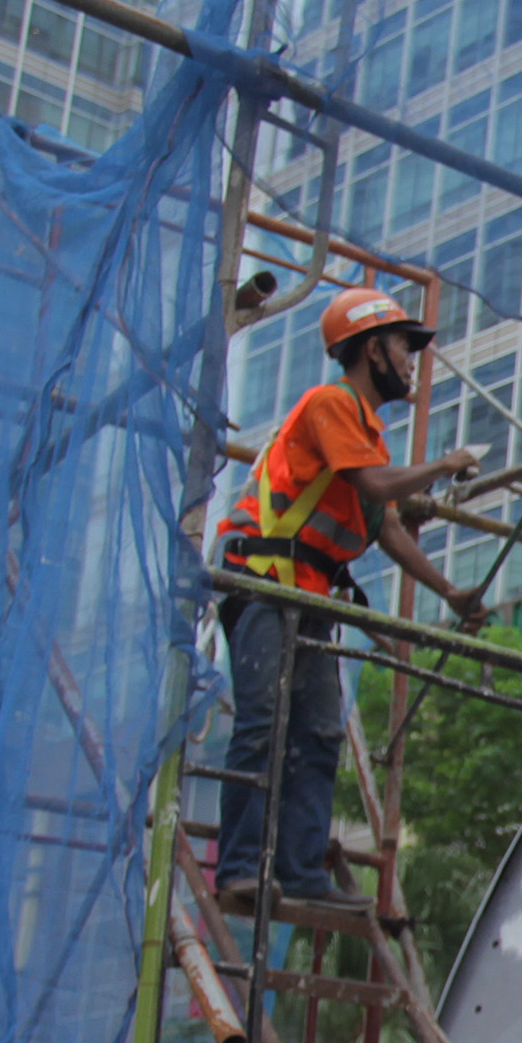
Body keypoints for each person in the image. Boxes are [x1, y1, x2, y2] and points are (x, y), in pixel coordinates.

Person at [211, 286, 489, 915]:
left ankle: (300, 870)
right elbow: (373, 486)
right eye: (403, 346)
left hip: (306, 594)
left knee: (318, 729)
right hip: (261, 582)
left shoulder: (367, 433)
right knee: (264, 723)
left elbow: (386, 525)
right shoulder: (331, 404)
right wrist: (444, 463)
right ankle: (238, 870)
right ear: (372, 349)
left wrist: (451, 591)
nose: (413, 361)